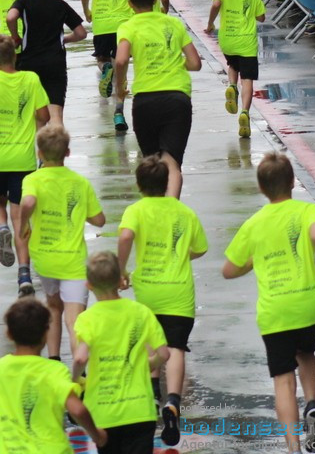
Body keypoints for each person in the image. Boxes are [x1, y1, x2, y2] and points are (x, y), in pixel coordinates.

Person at [222, 151, 315, 454]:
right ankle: (312, 404)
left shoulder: (254, 224)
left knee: (283, 380)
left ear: (262, 188)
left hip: (275, 312)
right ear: (292, 182)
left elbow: (228, 270)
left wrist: (253, 261)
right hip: (309, 303)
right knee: (306, 353)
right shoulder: (307, 211)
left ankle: (293, 447)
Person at [117, 155, 207, 446]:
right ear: (167, 182)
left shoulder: (135, 210)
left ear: (139, 184)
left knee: (150, 341)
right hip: (179, 291)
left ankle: (154, 391)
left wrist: (120, 269)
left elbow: (127, 235)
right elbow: (200, 249)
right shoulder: (184, 212)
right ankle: (173, 402)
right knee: (177, 347)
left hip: (149, 289)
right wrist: (180, 255)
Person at [0, 35, 50, 297]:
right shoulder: (30, 79)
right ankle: (24, 275)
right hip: (23, 160)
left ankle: (0, 227)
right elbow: (44, 116)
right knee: (21, 219)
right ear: (15, 54)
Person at [0, 298, 106, 451]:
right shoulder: (54, 370)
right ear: (45, 332)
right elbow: (77, 410)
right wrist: (97, 436)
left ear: (9, 334)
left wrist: (11, 415)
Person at [72, 251, 170, 454]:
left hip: (105, 413)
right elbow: (164, 354)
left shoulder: (87, 318)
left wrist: (73, 379)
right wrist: (148, 364)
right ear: (120, 280)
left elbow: (81, 357)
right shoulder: (141, 312)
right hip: (140, 411)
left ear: (88, 285)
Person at [18, 124, 105, 351]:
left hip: (45, 258)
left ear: (39, 153)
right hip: (73, 261)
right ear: (67, 153)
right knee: (75, 320)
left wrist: (22, 225)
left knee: (53, 307)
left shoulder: (32, 180)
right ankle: (80, 371)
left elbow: (28, 202)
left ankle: (55, 359)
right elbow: (99, 220)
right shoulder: (80, 183)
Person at [114, 0, 201, 198]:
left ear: (130, 3)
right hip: (177, 97)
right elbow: (195, 63)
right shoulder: (173, 24)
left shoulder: (128, 27)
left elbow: (122, 60)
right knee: (172, 163)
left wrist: (120, 87)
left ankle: (155, 211)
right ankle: (171, 209)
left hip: (145, 100)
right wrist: (173, 63)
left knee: (152, 163)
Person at [8, 0, 88, 124]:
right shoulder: (60, 5)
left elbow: (10, 17)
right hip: (55, 63)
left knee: (34, 114)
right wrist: (64, 39)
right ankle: (58, 147)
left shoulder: (23, 2)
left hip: (29, 63)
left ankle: (39, 148)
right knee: (55, 114)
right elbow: (81, 33)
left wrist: (15, 35)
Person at [205, 0, 266, 138]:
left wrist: (210, 24)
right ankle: (245, 112)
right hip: (247, 42)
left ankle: (231, 85)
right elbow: (261, 17)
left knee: (232, 65)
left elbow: (216, 3)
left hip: (228, 40)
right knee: (247, 79)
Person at [82, 0, 133, 115]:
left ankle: (105, 68)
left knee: (102, 58)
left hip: (102, 24)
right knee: (121, 62)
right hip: (123, 26)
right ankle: (120, 107)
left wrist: (87, 12)